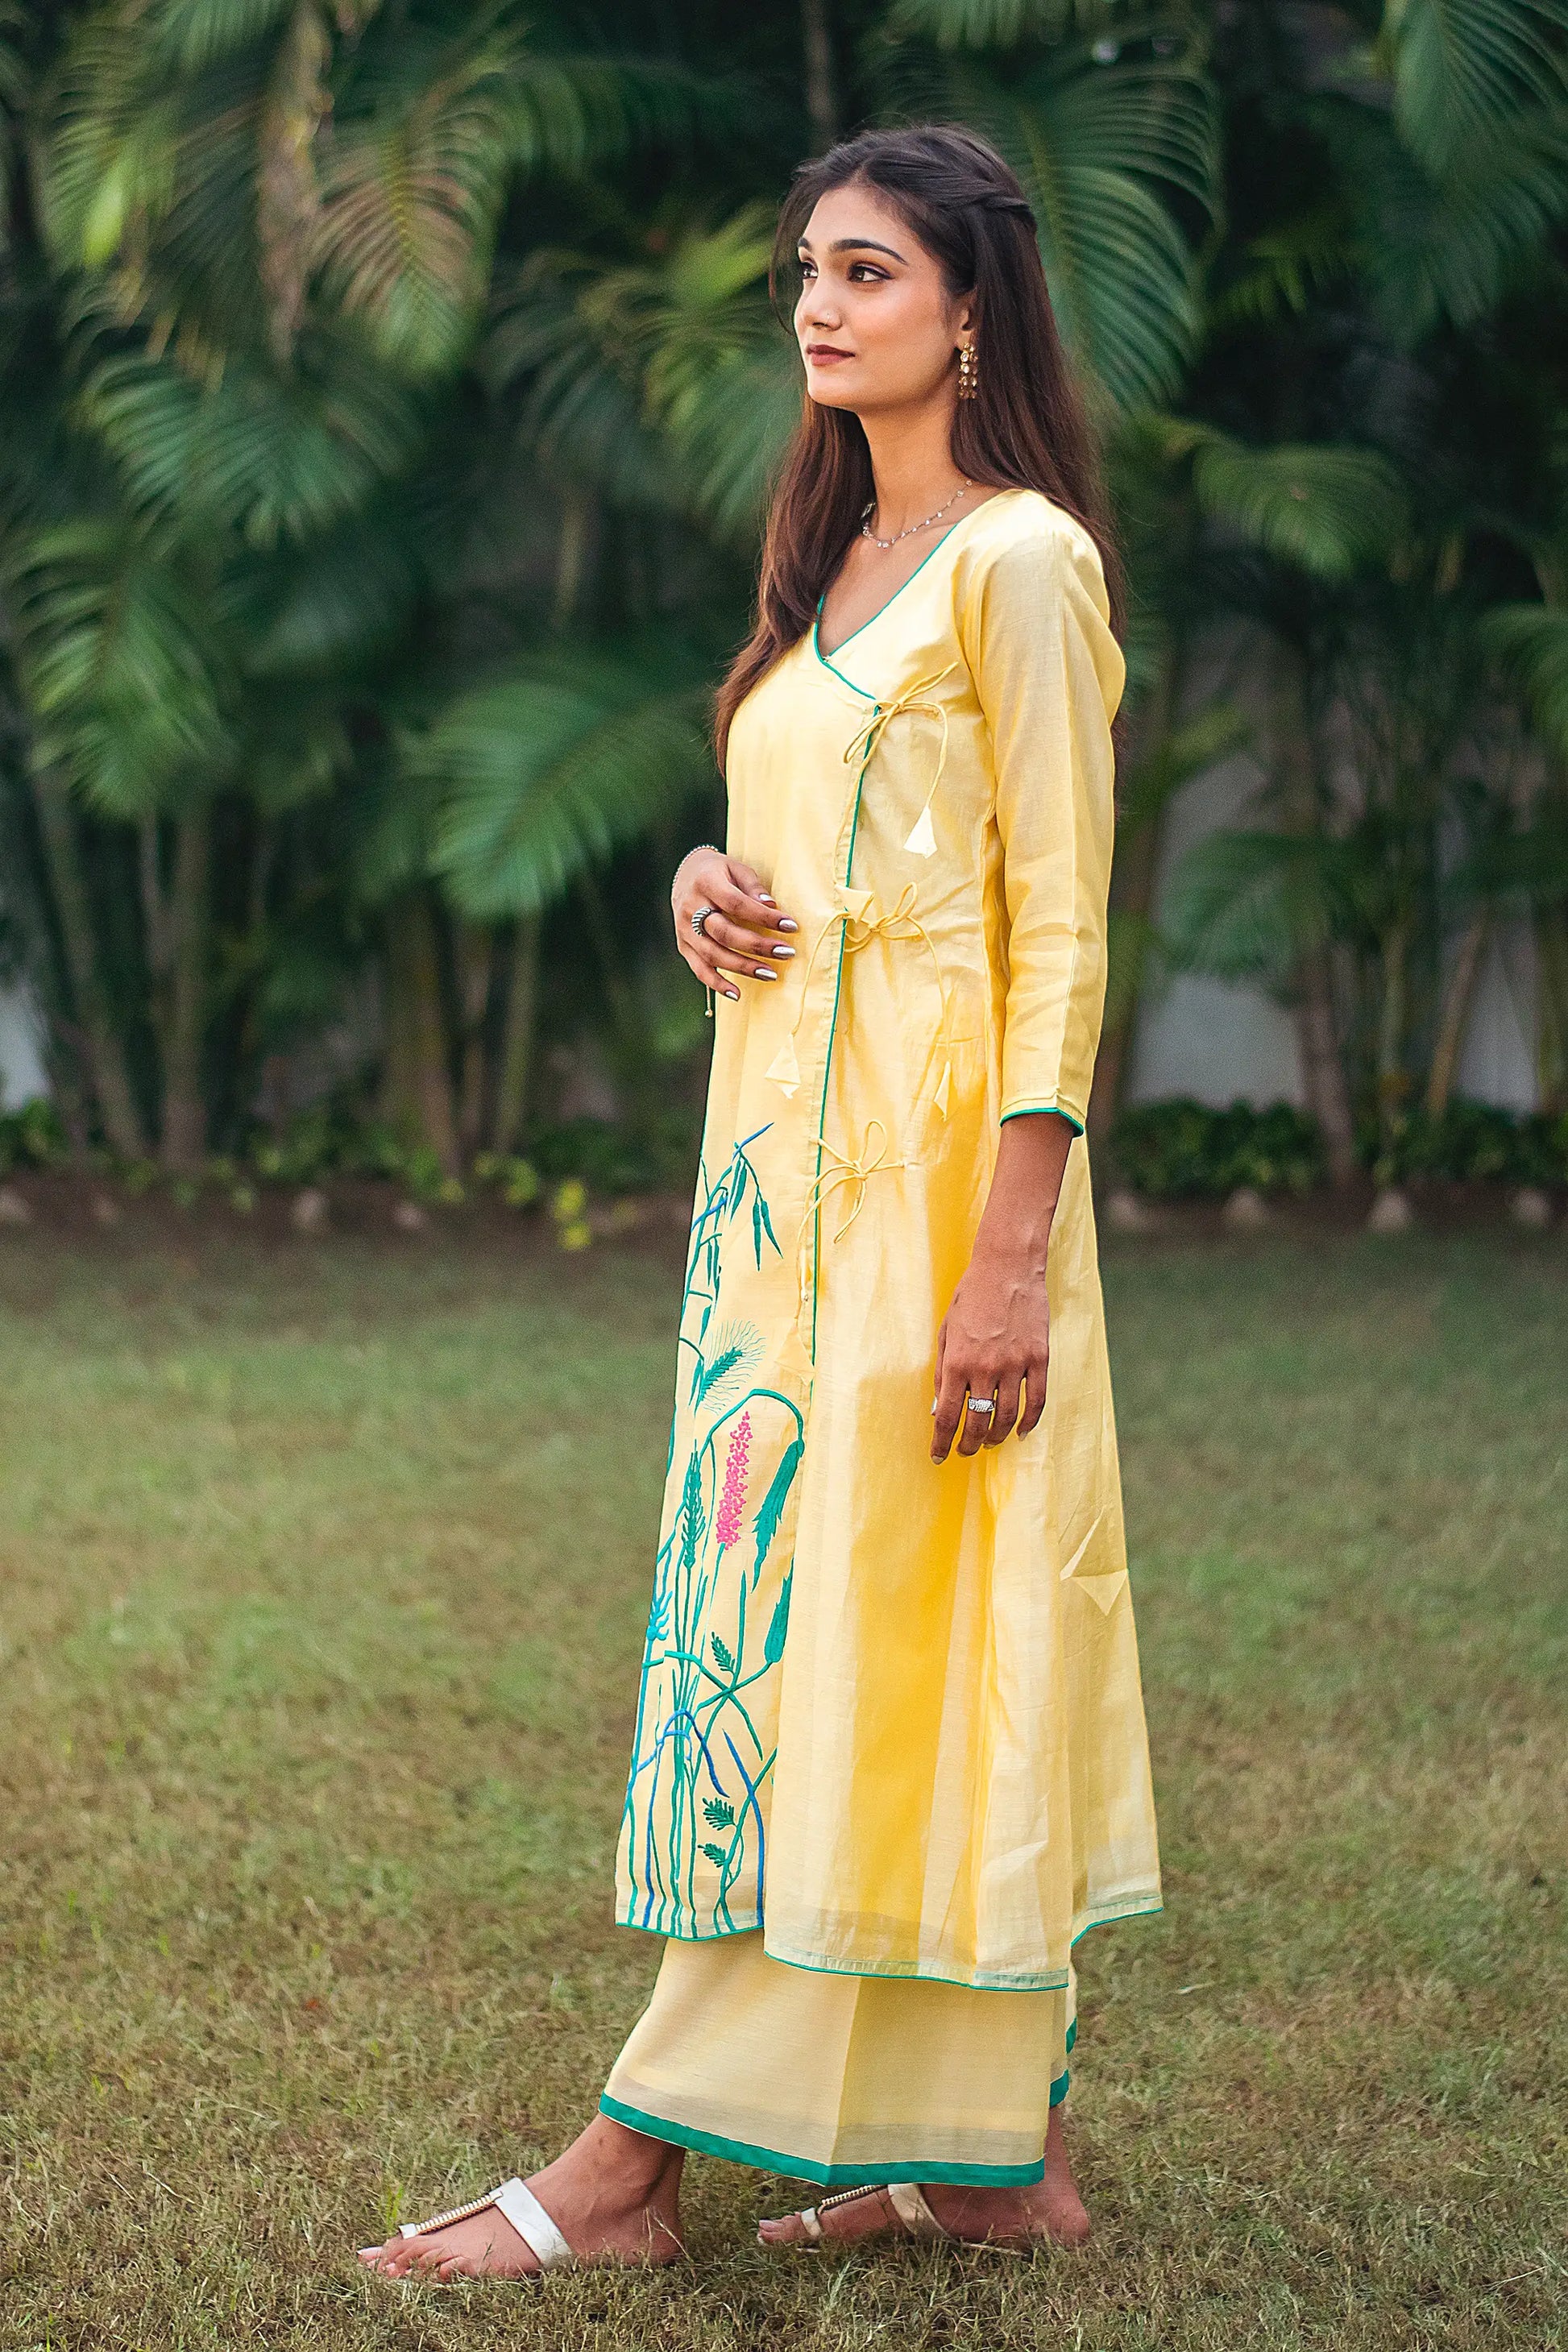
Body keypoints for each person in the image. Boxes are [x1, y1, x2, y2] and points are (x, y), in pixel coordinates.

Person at [359, 119, 1160, 2284]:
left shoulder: (1016, 560)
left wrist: (1007, 1267)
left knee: (861, 1650)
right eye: (806, 268)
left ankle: (624, 2170)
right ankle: (1006, 2167)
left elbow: (1061, 938)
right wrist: (711, 880)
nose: (816, 302)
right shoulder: (831, 571)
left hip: (933, 1212)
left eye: (868, 271)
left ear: (970, 305)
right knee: (842, 1649)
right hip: (775, 1208)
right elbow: (812, 841)